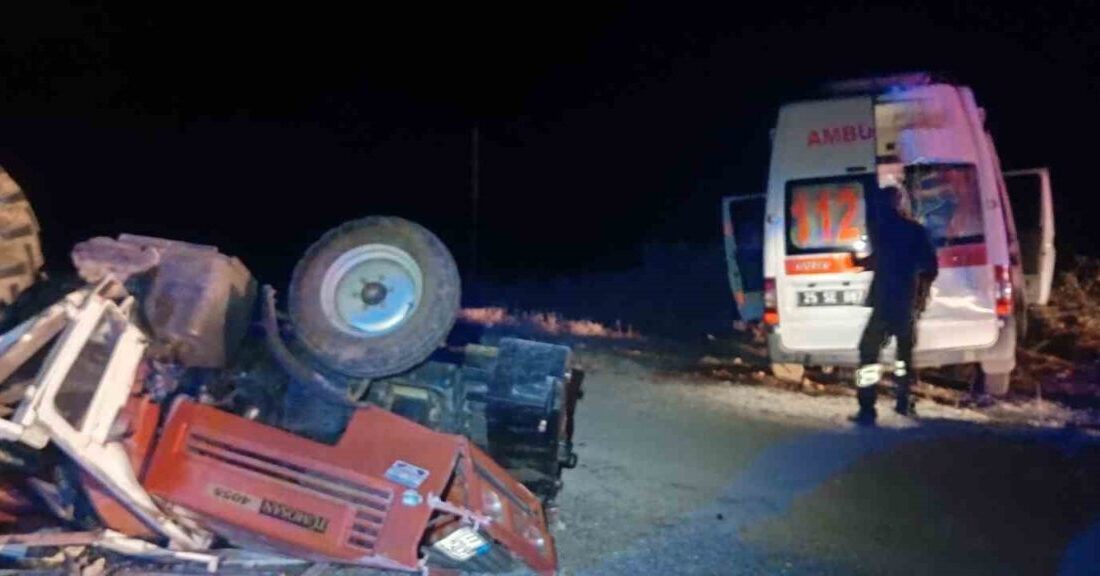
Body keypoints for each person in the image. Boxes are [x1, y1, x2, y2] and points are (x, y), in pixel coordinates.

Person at [850, 184, 938, 425]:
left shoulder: (881, 231)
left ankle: (867, 408)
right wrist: (921, 293)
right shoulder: (913, 231)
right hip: (905, 302)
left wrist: (859, 262)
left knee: (868, 351)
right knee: (903, 356)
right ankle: (903, 401)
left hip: (885, 302)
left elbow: (878, 260)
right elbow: (930, 267)